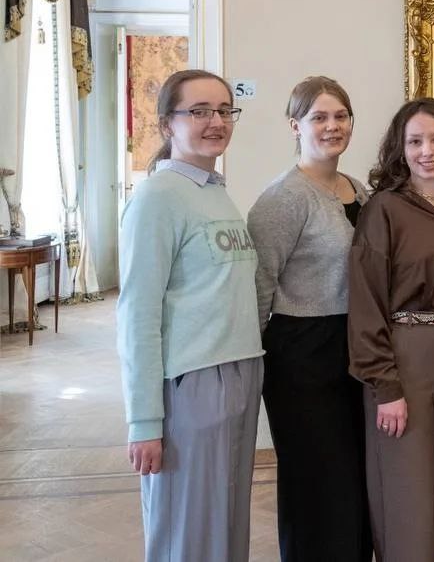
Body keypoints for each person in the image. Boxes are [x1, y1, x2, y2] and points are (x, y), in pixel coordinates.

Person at [116, 69, 262, 562]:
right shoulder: (157, 197)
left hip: (240, 370)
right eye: (199, 111)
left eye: (224, 110)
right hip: (193, 382)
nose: (215, 121)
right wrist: (144, 421)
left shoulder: (214, 190)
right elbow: (137, 313)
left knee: (224, 525)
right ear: (166, 124)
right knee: (187, 530)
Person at [248, 76, 372, 561]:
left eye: (340, 116)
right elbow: (258, 287)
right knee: (316, 480)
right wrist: (255, 366)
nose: (332, 126)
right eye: (319, 117)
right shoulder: (283, 198)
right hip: (302, 354)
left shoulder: (358, 188)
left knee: (354, 478)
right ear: (294, 125)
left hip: (353, 346)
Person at [347, 98, 434, 562]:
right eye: (416, 141)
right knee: (408, 493)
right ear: (399, 150)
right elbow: (366, 303)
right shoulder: (384, 209)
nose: (428, 151)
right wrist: (386, 386)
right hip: (404, 362)